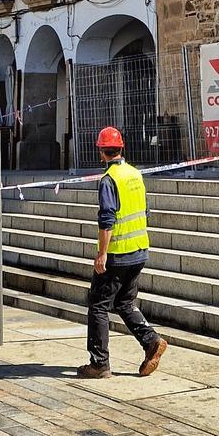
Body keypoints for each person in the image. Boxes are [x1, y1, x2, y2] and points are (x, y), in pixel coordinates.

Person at [75, 126, 168, 379]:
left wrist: (102, 253)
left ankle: (99, 364)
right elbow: (145, 211)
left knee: (98, 305)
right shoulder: (135, 174)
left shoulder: (109, 180)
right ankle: (151, 342)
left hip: (118, 253)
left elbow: (107, 220)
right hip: (139, 250)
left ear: (101, 152)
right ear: (121, 148)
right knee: (124, 302)